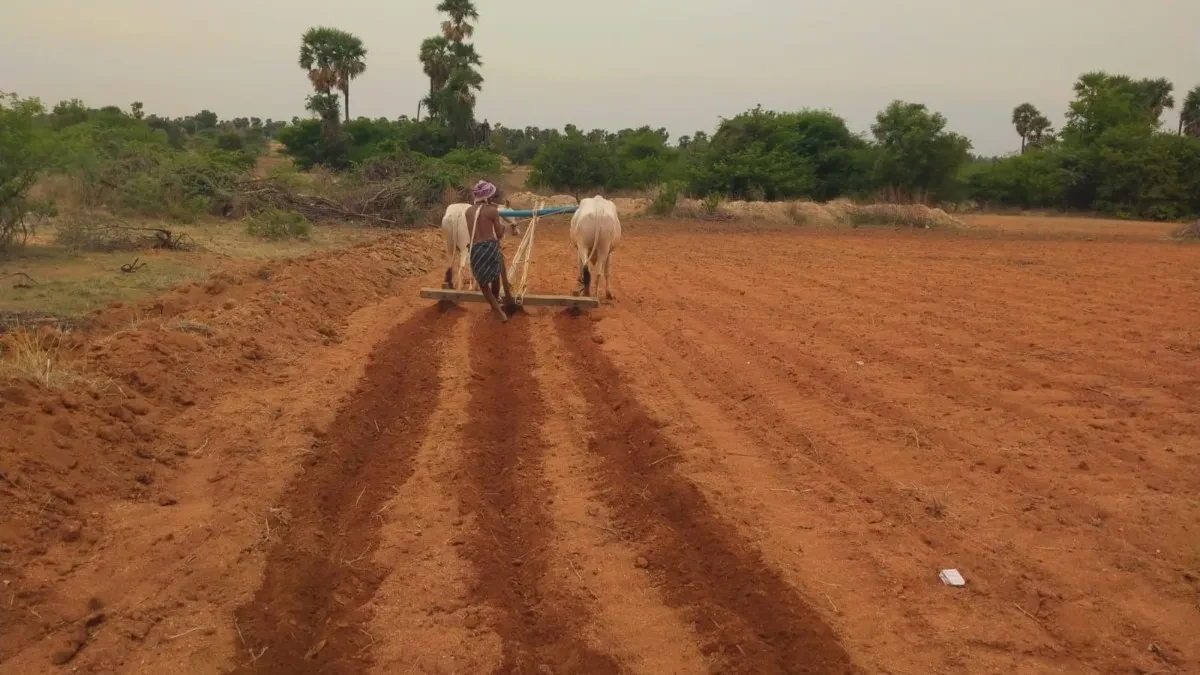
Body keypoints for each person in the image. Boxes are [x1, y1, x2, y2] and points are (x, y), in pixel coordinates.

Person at [466, 180, 515, 322]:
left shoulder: (468, 211)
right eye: (491, 196)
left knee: (482, 283)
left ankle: (495, 307)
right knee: (495, 277)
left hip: (476, 249)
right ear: (487, 197)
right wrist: (503, 228)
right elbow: (499, 235)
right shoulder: (492, 211)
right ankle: (497, 309)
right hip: (491, 247)